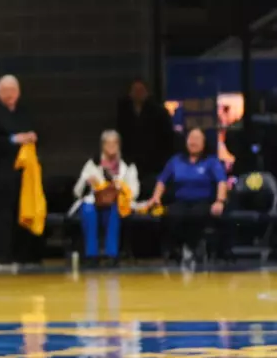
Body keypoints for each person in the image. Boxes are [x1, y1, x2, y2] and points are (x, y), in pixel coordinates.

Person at [139, 127, 228, 264]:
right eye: (191, 138)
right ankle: (178, 249)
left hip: (203, 201)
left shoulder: (211, 161)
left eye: (197, 139)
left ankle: (195, 247)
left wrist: (220, 201)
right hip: (181, 201)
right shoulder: (176, 160)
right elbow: (162, 180)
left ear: (204, 143)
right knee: (171, 215)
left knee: (196, 215)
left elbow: (221, 182)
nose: (193, 142)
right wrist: (155, 197)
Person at [0, 74, 40, 270]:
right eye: (5, 91)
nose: (9, 95)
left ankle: (22, 256)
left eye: (13, 91)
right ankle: (2, 256)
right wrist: (14, 140)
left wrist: (31, 137)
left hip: (23, 175)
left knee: (23, 212)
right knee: (2, 216)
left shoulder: (25, 114)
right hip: (2, 174)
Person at [71, 130, 140, 266]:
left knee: (115, 211)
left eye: (114, 143)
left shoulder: (127, 164)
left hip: (116, 203)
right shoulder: (93, 163)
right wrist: (86, 181)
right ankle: (91, 256)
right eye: (108, 143)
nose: (111, 146)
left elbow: (135, 191)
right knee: (88, 210)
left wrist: (120, 188)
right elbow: (77, 192)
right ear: (102, 145)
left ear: (119, 145)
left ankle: (112, 255)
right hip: (94, 202)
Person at [116, 79, 175, 188]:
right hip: (130, 160)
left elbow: (168, 139)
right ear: (130, 93)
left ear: (147, 92)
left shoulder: (159, 112)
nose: (138, 93)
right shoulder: (123, 112)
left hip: (154, 162)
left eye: (141, 90)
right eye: (135, 90)